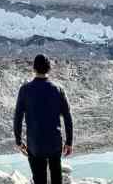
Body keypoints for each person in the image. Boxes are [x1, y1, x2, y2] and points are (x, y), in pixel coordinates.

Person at [13, 54, 73, 184]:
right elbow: (67, 117)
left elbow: (18, 117)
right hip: (54, 142)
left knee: (39, 179)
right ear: (49, 69)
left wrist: (18, 141)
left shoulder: (25, 90)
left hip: (35, 143)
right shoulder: (58, 89)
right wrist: (69, 142)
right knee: (57, 178)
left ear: (34, 69)